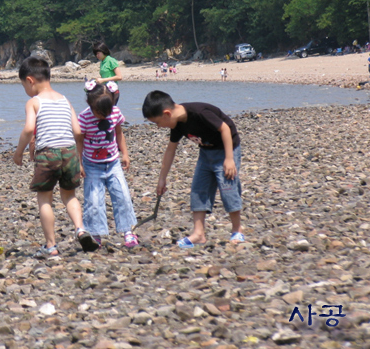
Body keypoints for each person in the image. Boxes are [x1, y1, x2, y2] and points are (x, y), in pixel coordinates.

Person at [13, 56, 99, 257]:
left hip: (48, 154)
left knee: (45, 199)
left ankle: (51, 246)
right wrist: (79, 158)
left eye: (24, 85)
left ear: (30, 80)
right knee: (69, 196)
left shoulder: (33, 102)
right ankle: (80, 228)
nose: (25, 90)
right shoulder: (64, 99)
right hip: (69, 152)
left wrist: (19, 152)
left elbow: (28, 129)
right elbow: (78, 132)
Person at [142, 91, 244, 248]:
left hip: (226, 149)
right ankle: (198, 234)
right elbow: (170, 150)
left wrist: (229, 159)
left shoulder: (199, 113)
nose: (159, 127)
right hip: (206, 152)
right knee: (198, 190)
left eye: (157, 123)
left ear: (167, 114)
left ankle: (237, 229)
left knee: (228, 188)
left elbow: (225, 129)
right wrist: (162, 178)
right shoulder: (177, 124)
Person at [76, 80, 138, 248]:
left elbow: (119, 133)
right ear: (89, 104)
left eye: (106, 112)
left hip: (113, 163)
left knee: (123, 196)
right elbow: (79, 142)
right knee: (94, 201)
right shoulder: (84, 117)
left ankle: (128, 231)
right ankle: (95, 234)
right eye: (99, 112)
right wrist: (79, 163)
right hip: (92, 165)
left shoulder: (115, 112)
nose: (103, 116)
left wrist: (124, 153)